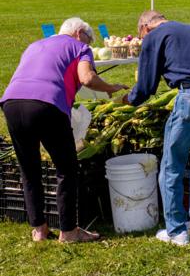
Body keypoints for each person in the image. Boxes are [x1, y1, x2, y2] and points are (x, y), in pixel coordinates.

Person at [0, 18, 127, 243]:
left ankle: (39, 230)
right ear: (79, 33)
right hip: (47, 104)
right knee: (66, 169)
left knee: (29, 170)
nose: (90, 42)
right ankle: (68, 231)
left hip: (11, 102)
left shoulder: (35, 45)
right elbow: (87, 78)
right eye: (89, 38)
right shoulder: (80, 47)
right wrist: (111, 87)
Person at [124, 11, 190, 246]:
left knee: (172, 164)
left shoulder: (154, 36)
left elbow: (146, 86)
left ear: (145, 28)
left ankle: (177, 231)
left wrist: (129, 99)